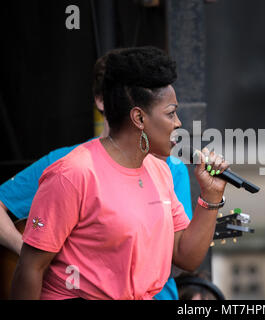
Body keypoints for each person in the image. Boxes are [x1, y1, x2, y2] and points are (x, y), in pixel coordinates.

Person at [10, 46, 228, 300]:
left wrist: (211, 196)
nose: (178, 123)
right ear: (139, 118)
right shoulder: (73, 173)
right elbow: (30, 267)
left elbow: (185, 256)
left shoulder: (160, 171)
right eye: (170, 113)